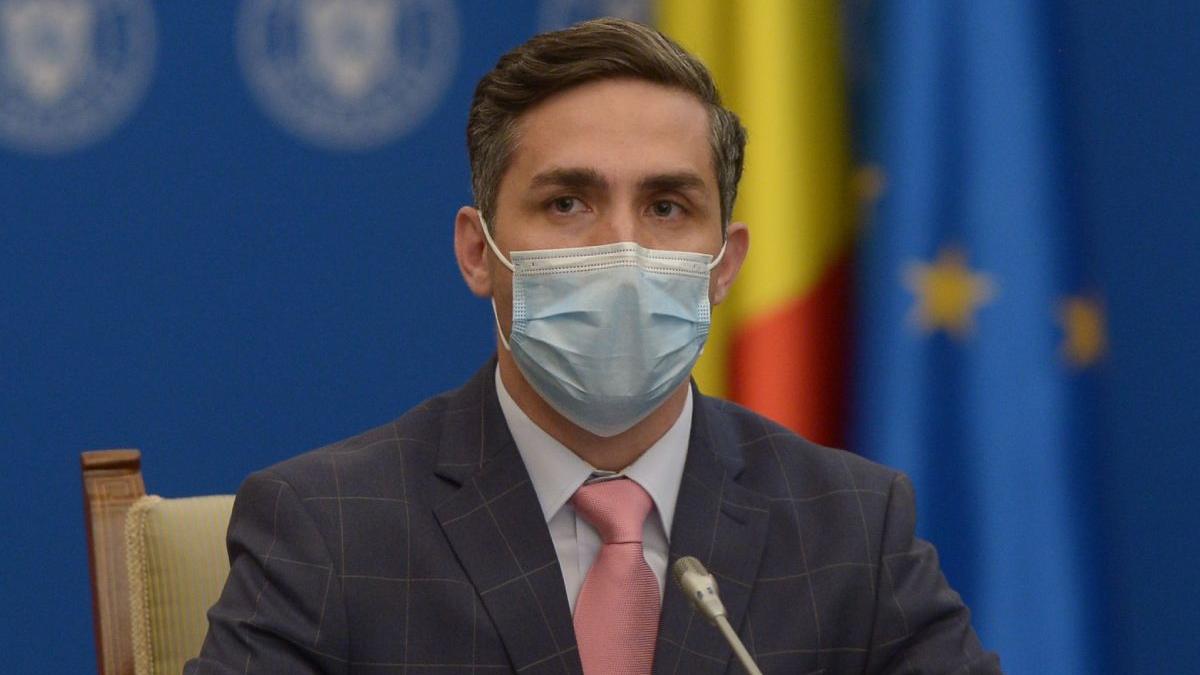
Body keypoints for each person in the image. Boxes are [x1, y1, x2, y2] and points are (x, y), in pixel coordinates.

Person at [187, 18, 1000, 675]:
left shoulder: (850, 527)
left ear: (725, 265)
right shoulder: (328, 528)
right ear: (478, 252)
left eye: (667, 207)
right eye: (568, 203)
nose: (622, 249)